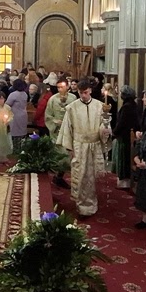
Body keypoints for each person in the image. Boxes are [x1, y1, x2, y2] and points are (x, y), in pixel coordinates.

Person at [58, 78, 109, 217]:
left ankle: (91, 204)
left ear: (90, 91)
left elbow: (104, 124)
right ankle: (81, 205)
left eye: (85, 92)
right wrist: (69, 148)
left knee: (91, 176)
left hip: (94, 145)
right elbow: (67, 128)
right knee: (80, 176)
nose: (83, 95)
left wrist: (105, 130)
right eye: (81, 93)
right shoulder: (72, 108)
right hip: (79, 145)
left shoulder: (100, 106)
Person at [45, 80, 77, 189]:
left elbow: (76, 113)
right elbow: (48, 115)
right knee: (61, 155)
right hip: (57, 132)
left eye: (62, 87)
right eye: (58, 87)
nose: (60, 89)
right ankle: (57, 176)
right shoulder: (53, 99)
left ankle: (59, 176)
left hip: (69, 131)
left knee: (68, 156)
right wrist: (55, 121)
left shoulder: (73, 98)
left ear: (67, 86)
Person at [112, 86, 141, 189]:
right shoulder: (133, 105)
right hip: (128, 134)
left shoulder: (127, 107)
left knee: (123, 159)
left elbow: (122, 122)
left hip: (124, 136)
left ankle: (124, 182)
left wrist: (114, 132)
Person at [6, 79, 29, 152]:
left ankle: (15, 150)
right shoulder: (25, 94)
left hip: (15, 115)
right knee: (22, 132)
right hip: (23, 114)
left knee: (15, 133)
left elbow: (7, 104)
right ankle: (22, 149)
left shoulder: (13, 94)